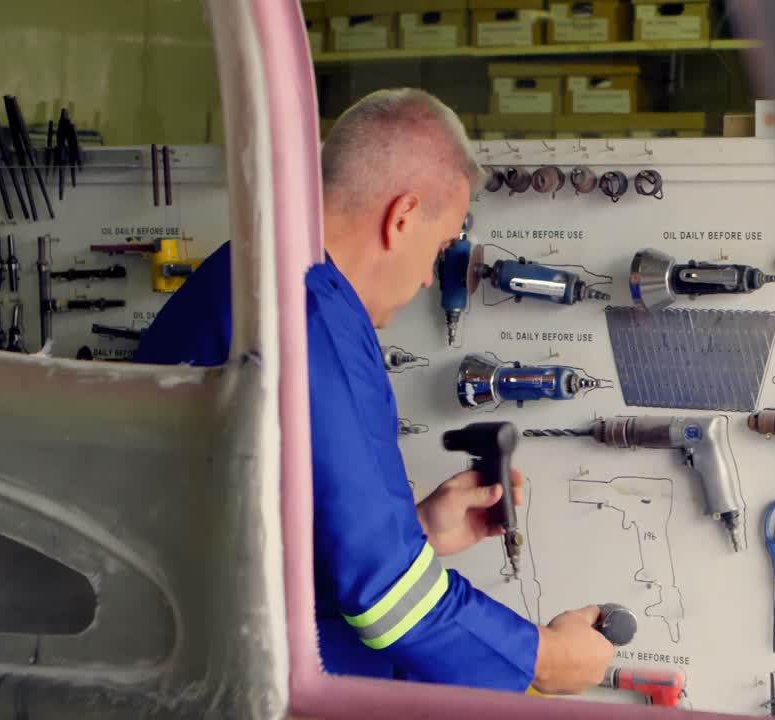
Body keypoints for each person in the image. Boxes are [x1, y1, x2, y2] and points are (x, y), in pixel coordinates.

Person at [133, 89, 614, 693]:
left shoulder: (241, 277)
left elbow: (240, 529)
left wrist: (416, 531)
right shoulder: (316, 318)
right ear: (404, 215)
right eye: (439, 251)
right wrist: (546, 658)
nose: (423, 279)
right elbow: (390, 606)